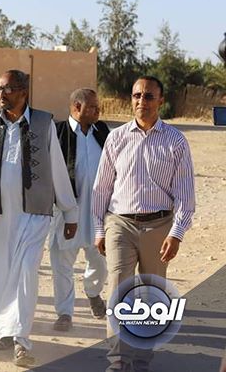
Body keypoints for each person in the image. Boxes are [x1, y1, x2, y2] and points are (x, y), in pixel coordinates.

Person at [0, 69, 78, 366]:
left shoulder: (43, 124)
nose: (1, 94)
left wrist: (70, 211)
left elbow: (57, 168)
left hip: (32, 216)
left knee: (25, 274)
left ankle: (21, 341)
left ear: (24, 92)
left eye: (8, 89)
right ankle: (3, 332)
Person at [91, 76, 195, 372]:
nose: (141, 101)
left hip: (159, 226)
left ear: (161, 101)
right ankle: (118, 360)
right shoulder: (116, 138)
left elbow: (185, 194)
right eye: (137, 95)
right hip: (119, 224)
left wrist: (176, 233)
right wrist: (99, 228)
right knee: (117, 287)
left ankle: (141, 360)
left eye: (149, 96)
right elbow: (101, 189)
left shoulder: (175, 141)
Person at [49, 88, 109, 332]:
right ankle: (64, 313)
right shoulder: (57, 132)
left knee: (100, 261)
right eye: (93, 107)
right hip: (66, 212)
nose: (98, 111)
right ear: (76, 107)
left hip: (98, 212)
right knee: (62, 264)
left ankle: (93, 293)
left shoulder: (102, 132)